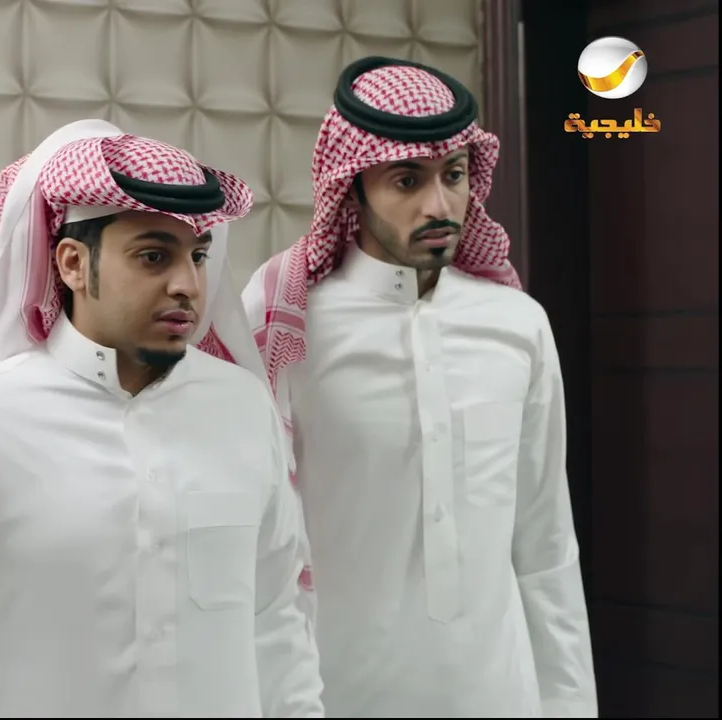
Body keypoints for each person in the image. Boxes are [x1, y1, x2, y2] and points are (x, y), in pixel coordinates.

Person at [0, 119, 324, 718]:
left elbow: (278, 626)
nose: (187, 284)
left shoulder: (245, 410)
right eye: (153, 257)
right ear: (72, 263)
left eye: (197, 256)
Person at [241, 56, 597, 717]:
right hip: (337, 695)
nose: (439, 205)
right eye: (407, 180)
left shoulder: (518, 325)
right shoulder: (283, 322)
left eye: (453, 175)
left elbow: (545, 543)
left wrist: (570, 703)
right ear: (352, 188)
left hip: (500, 695)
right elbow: (255, 549)